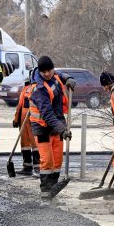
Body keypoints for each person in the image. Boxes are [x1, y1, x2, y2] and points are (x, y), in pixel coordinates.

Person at [29, 56, 77, 199]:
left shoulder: (54, 75)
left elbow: (59, 74)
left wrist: (68, 78)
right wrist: (63, 130)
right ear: (40, 72)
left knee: (57, 160)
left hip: (57, 124)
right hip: (42, 127)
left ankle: (53, 192)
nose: (47, 74)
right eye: (44, 72)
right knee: (47, 160)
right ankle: (45, 193)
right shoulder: (39, 89)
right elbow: (47, 115)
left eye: (49, 71)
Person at [12, 74, 39, 175]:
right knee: (25, 145)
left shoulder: (37, 88)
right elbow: (20, 105)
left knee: (35, 144)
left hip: (33, 120)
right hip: (24, 121)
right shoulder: (26, 88)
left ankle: (38, 167)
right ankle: (27, 167)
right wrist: (16, 119)